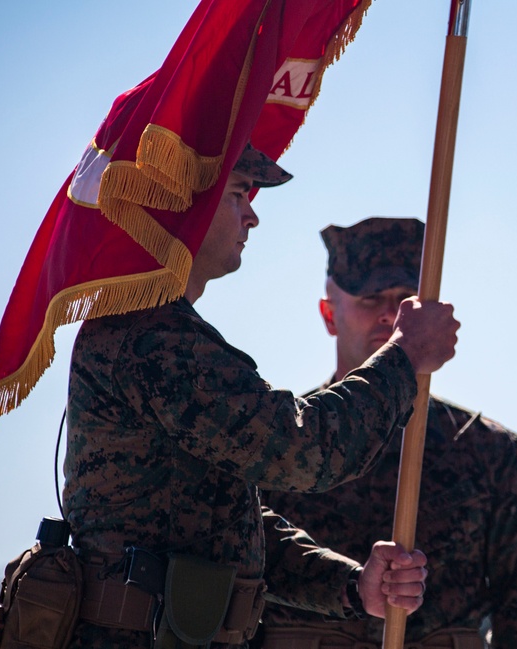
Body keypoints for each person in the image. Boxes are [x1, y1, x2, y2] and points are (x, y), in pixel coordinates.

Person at [63, 148, 461, 648]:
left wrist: (350, 585)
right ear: (180, 203)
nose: (252, 214)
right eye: (236, 193)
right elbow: (304, 451)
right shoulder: (150, 337)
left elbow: (225, 517)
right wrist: (404, 357)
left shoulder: (164, 330)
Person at [259, 217, 517, 649]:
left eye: (405, 301)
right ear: (329, 314)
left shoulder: (494, 456)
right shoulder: (277, 443)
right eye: (370, 297)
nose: (388, 314)